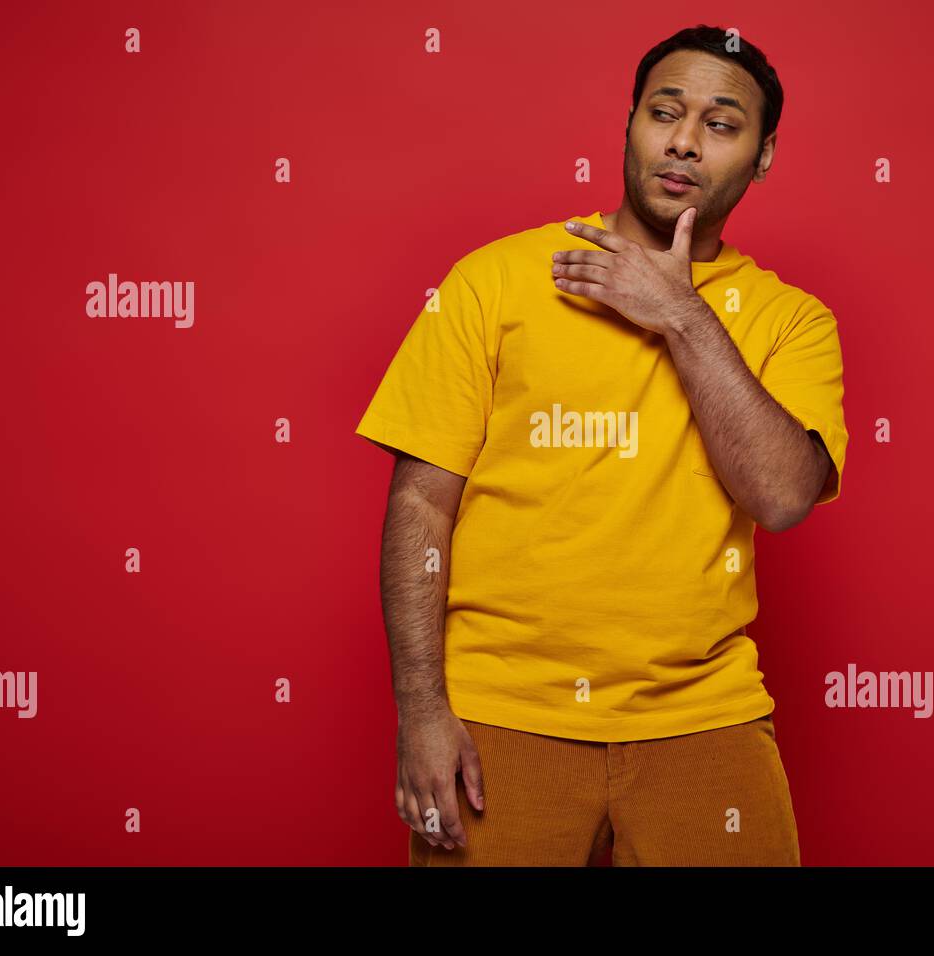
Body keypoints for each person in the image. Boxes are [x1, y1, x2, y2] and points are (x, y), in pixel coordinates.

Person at [356, 24, 848, 866]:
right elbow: (420, 503)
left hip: (703, 719)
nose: (684, 141)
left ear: (764, 156)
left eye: (722, 125)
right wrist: (421, 711)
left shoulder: (791, 321)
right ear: (629, 124)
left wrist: (681, 316)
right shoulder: (494, 281)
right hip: (500, 722)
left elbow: (782, 496)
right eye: (665, 112)